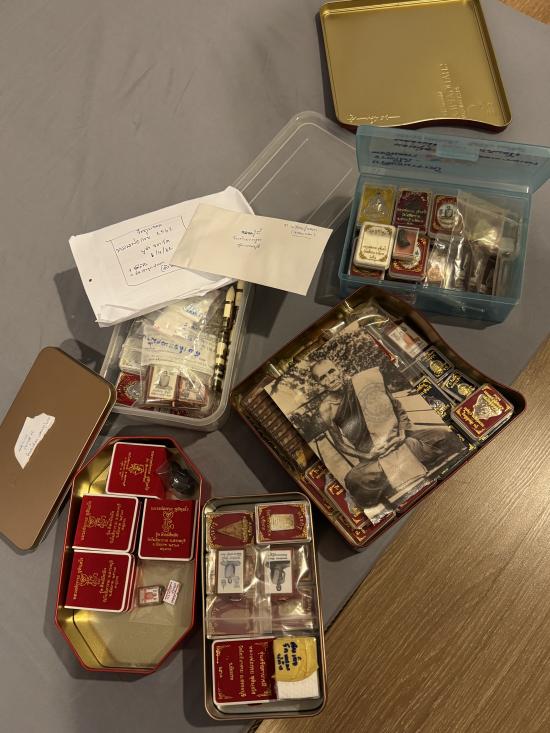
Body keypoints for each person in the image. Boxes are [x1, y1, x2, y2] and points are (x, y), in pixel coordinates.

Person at [310, 359, 454, 509]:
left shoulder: (364, 382)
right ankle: (408, 455)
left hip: (399, 438)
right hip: (372, 455)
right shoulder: (326, 408)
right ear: (319, 384)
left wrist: (401, 434)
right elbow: (340, 444)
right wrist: (368, 456)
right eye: (323, 377)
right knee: (354, 481)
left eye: (331, 371)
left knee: (443, 435)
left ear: (339, 368)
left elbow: (397, 407)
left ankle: (389, 475)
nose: (330, 379)